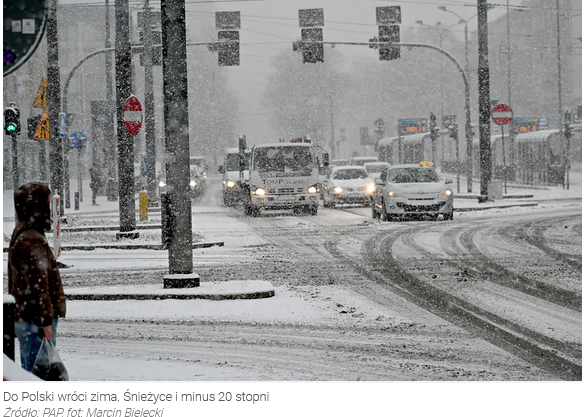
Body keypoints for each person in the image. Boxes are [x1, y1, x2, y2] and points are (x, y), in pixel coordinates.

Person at [8, 182, 67, 372]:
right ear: (38, 206)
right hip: (34, 321)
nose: (49, 209)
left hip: (28, 318)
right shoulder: (32, 238)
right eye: (46, 204)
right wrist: (45, 323)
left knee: (33, 370)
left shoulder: (24, 232)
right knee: (39, 374)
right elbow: (38, 286)